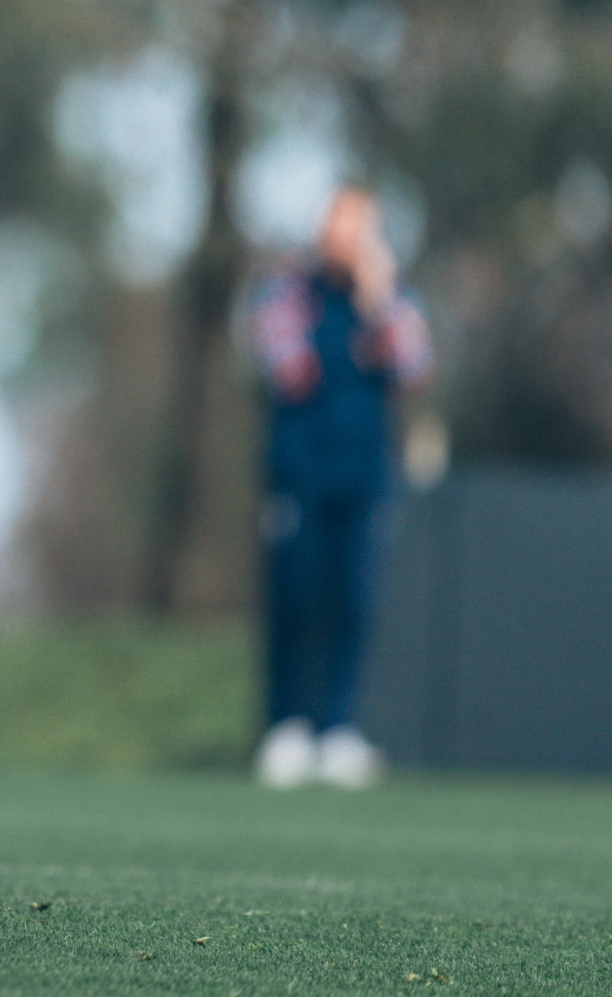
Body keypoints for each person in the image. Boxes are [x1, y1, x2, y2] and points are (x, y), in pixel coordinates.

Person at [247, 186, 432, 790]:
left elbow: (412, 368)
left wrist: (378, 299)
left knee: (354, 603)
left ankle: (339, 728)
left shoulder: (388, 300)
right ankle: (286, 728)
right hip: (300, 473)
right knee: (295, 598)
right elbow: (288, 369)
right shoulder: (290, 293)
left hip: (365, 476)